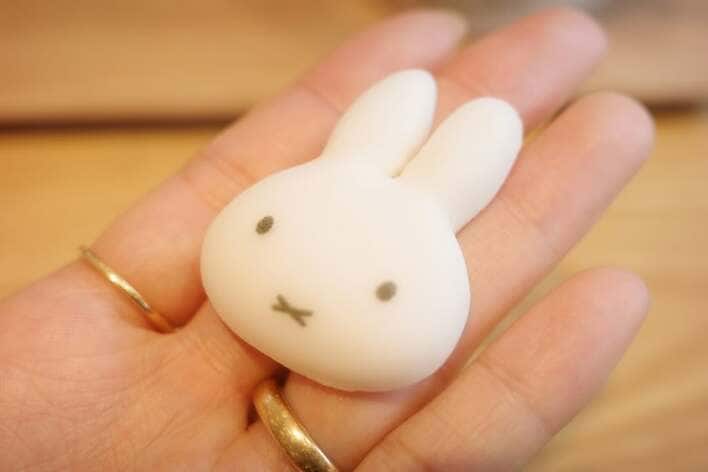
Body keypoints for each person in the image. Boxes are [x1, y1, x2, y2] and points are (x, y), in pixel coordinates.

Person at [0, 7, 653, 471]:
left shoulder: (423, 229)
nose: (299, 299)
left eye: (385, 291)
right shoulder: (341, 187)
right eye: (267, 228)